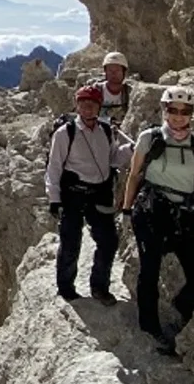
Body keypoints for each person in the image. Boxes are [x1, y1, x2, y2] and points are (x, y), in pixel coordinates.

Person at [121, 85, 194, 355]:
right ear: (164, 110)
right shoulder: (150, 138)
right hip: (151, 209)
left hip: (182, 213)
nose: (178, 117)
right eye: (173, 110)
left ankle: (179, 310)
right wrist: (126, 210)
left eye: (185, 112)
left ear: (191, 114)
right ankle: (149, 327)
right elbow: (135, 174)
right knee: (149, 270)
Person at [46, 83, 133, 304]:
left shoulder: (105, 130)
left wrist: (132, 150)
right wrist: (54, 199)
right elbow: (54, 167)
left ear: (99, 106)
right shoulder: (65, 133)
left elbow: (112, 159)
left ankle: (99, 287)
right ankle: (66, 289)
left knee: (108, 241)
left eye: (92, 104)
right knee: (70, 243)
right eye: (83, 104)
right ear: (77, 106)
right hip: (73, 195)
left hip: (99, 193)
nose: (88, 109)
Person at [98, 50, 131, 128]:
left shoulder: (129, 92)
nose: (113, 74)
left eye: (117, 70)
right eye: (110, 70)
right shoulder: (96, 90)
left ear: (124, 72)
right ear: (105, 72)